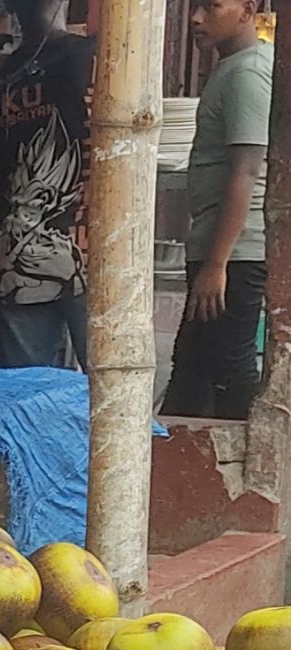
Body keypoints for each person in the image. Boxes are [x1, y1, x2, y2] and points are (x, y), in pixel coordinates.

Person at [165, 0, 274, 419]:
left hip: (236, 253)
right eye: (195, 8)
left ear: (247, 11)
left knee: (231, 369)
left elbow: (245, 171)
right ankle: (173, 470)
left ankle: (255, 466)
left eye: (211, 7)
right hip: (222, 249)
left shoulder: (247, 74)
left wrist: (217, 264)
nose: (196, 19)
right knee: (191, 368)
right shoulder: (235, 67)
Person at [0, 0, 95, 369]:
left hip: (20, 256)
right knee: (109, 386)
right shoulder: (94, 58)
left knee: (28, 392)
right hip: (95, 253)